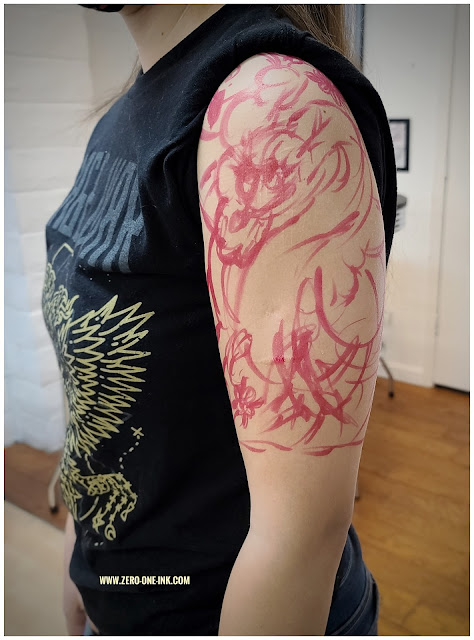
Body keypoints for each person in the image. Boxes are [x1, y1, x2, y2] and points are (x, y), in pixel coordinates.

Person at [42, 4, 397, 636]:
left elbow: (301, 533)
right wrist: (84, 547)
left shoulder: (273, 111)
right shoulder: (128, 112)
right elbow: (111, 391)